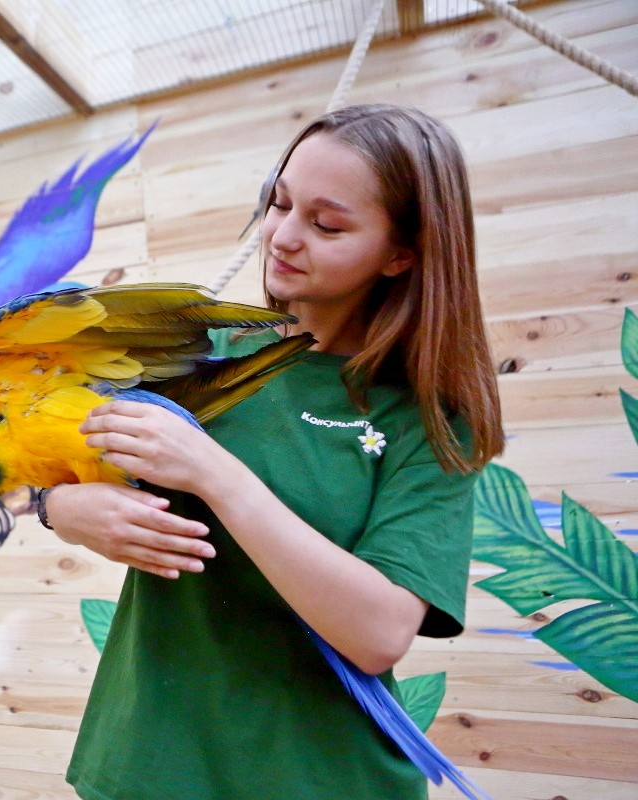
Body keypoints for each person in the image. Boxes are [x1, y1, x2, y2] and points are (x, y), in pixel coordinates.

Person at [43, 104, 505, 799]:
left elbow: (380, 633)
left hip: (321, 777)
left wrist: (216, 473)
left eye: (327, 224)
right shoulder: (188, 351)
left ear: (401, 253)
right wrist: (57, 506)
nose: (283, 237)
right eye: (278, 202)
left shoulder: (429, 421)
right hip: (150, 761)